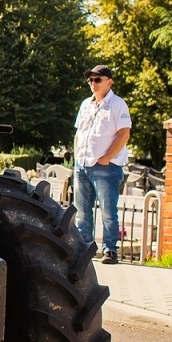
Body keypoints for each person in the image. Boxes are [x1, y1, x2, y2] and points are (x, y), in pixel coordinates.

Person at [73, 64, 132, 264]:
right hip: (82, 165)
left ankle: (110, 250)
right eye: (90, 80)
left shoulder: (118, 104)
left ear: (109, 81)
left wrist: (106, 158)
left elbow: (124, 134)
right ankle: (84, 249)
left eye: (98, 79)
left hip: (106, 167)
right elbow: (78, 133)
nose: (93, 83)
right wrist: (77, 157)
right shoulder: (85, 105)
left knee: (108, 211)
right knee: (82, 211)